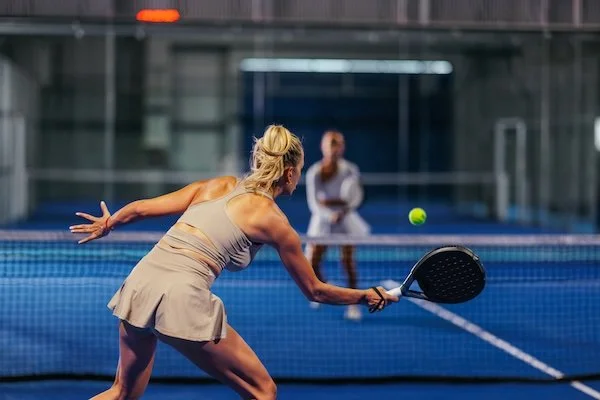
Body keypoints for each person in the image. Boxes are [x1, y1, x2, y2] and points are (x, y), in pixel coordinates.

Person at [69, 125, 398, 400]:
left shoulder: (219, 184)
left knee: (122, 393)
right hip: (182, 295)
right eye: (299, 170)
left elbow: (140, 209)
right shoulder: (275, 222)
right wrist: (365, 294)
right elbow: (315, 290)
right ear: (289, 172)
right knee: (263, 391)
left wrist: (108, 224)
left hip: (140, 282)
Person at [305, 130, 370, 321]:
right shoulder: (314, 172)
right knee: (312, 262)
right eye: (330, 145)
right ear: (323, 147)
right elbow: (313, 203)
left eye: (337, 145)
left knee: (348, 263)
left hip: (346, 221)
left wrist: (342, 210)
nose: (334, 149)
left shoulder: (350, 169)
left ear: (342, 148)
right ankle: (324, 289)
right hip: (322, 222)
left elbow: (356, 198)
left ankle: (353, 305)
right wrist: (329, 212)